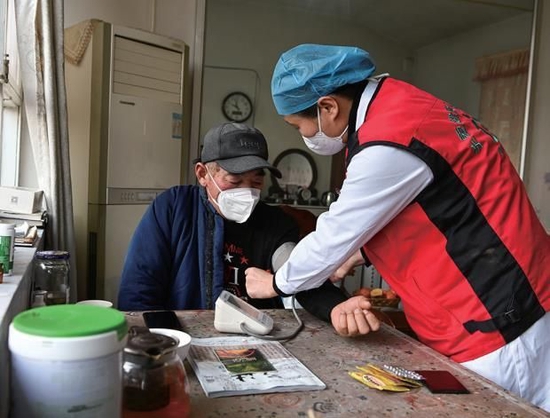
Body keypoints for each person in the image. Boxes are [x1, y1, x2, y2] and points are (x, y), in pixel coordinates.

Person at [244, 44, 550, 411]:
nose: (303, 135)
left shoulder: (389, 139)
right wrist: (360, 253)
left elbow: (332, 236)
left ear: (328, 107)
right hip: (504, 301)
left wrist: (275, 283)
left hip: (499, 324)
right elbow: (433, 208)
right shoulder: (401, 108)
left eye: (299, 125)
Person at [117, 122, 368, 330]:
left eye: (256, 182)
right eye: (234, 180)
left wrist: (335, 306)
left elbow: (295, 269)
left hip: (254, 335)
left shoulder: (274, 223)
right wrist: (155, 341)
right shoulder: (173, 209)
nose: (246, 192)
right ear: (203, 174)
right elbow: (139, 287)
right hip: (183, 335)